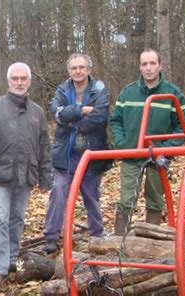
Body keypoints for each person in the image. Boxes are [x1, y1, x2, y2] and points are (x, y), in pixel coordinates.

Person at [0, 62, 52, 289]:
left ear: (29, 82)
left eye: (23, 79)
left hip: (25, 175)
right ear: (8, 81)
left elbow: (44, 147)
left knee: (17, 219)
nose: (19, 82)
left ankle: (12, 260)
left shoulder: (37, 112)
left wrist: (45, 177)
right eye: (15, 79)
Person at [110, 48, 185, 235]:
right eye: (144, 64)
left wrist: (166, 149)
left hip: (158, 156)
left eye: (152, 63)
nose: (149, 68)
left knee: (155, 200)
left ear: (160, 66)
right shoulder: (128, 92)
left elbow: (183, 126)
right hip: (131, 154)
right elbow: (115, 121)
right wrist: (122, 143)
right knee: (126, 199)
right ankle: (118, 242)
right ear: (139, 67)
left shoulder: (173, 93)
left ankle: (150, 241)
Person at [43, 53, 110, 253]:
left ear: (89, 69)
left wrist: (75, 122)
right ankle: (51, 237)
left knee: (91, 195)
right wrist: (82, 109)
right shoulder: (62, 89)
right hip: (66, 153)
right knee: (59, 191)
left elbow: (101, 116)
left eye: (81, 67)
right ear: (69, 71)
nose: (78, 71)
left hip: (91, 153)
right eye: (74, 68)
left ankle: (97, 236)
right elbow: (57, 114)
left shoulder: (99, 89)